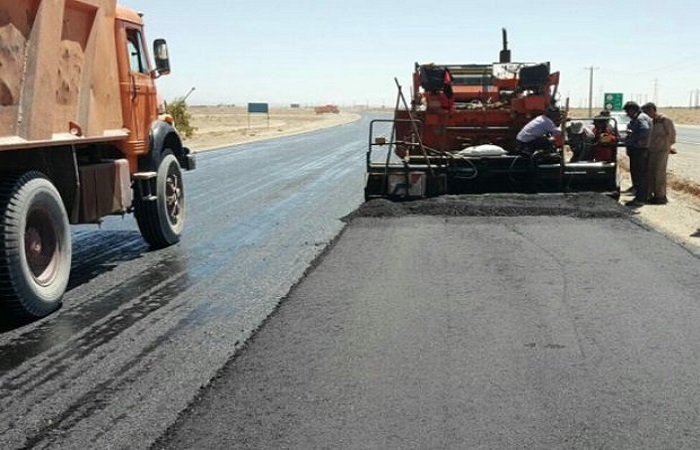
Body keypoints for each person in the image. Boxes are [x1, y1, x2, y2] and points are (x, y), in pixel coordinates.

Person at [641, 102, 676, 204]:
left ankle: (660, 196)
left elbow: (672, 136)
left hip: (662, 151)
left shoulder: (665, 120)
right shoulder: (652, 121)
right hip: (652, 151)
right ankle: (652, 194)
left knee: (659, 174)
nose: (646, 114)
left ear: (652, 110)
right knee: (651, 173)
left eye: (647, 112)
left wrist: (666, 146)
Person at [622, 101, 652, 206]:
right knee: (639, 174)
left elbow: (644, 130)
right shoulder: (639, 117)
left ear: (632, 110)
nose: (627, 114)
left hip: (639, 151)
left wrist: (634, 139)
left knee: (639, 175)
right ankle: (640, 196)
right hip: (638, 150)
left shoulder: (641, 118)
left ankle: (640, 199)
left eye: (627, 111)